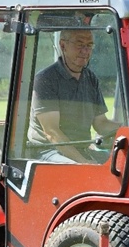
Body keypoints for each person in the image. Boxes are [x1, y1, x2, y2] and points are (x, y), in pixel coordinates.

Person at [27, 29, 120, 163]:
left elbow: (101, 124)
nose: (85, 51)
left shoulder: (90, 78)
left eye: (89, 45)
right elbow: (51, 132)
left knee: (126, 166)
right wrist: (83, 162)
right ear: (63, 45)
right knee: (87, 175)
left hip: (82, 150)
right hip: (48, 151)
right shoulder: (46, 79)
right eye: (80, 44)